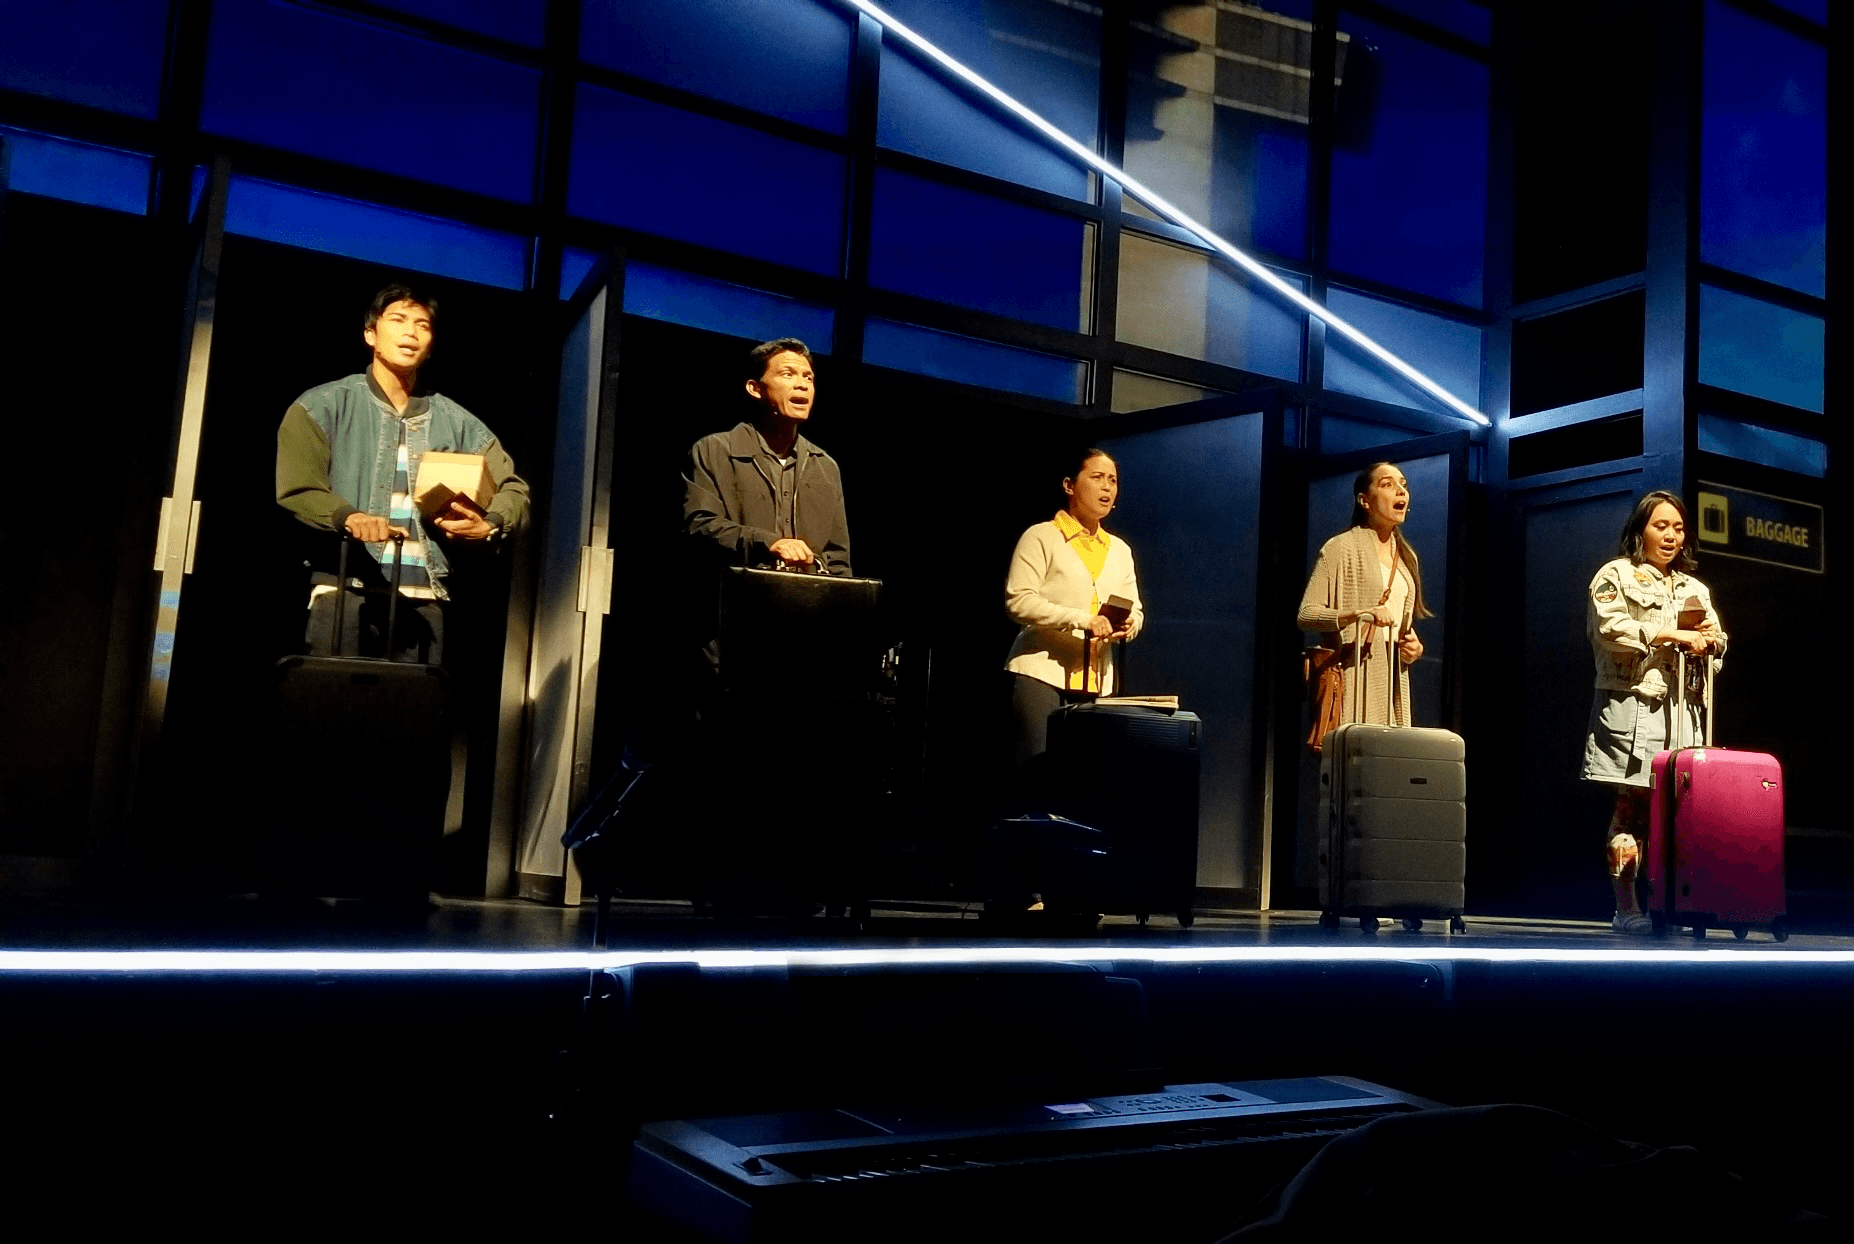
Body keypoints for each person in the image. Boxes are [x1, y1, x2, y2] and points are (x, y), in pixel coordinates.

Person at [276, 282, 529, 661]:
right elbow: (298, 488)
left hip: (423, 600)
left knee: (414, 698)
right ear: (370, 333)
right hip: (345, 590)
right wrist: (349, 516)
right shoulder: (321, 406)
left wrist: (490, 524)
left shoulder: (458, 422)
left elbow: (513, 489)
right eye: (398, 320)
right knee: (334, 696)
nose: (411, 332)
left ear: (431, 344)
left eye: (422, 325)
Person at [1582, 490, 1725, 935]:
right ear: (1640, 529)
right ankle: (1626, 908)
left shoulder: (1693, 588)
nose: (1671, 536)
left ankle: (1671, 903)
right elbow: (1610, 629)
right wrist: (1672, 634)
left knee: (1680, 815)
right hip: (1633, 709)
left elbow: (1718, 646)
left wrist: (1710, 640)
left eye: (1678, 528)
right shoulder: (1615, 575)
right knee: (1631, 808)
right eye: (1661, 526)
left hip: (1684, 714)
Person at [1004, 449, 1144, 768]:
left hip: (1097, 684)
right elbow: (1018, 600)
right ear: (1070, 485)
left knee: (1085, 777)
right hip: (1042, 674)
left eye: (1112, 480)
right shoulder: (1042, 537)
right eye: (1097, 477)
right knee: (1038, 771)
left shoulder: (1120, 550)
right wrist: (1081, 619)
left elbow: (1135, 609)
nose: (1107, 487)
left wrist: (1129, 624)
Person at [682, 337, 851, 579]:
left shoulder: (825, 466)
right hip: (737, 595)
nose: (802, 384)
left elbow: (838, 559)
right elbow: (699, 525)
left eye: (808, 378)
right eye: (788, 374)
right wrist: (768, 542)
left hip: (807, 600)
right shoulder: (714, 451)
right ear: (756, 388)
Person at [1297, 461, 1431, 730]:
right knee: (1357, 752)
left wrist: (1413, 647)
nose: (1400, 491)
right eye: (1387, 484)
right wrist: (1358, 615)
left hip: (1393, 681)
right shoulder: (1339, 548)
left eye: (1403, 485)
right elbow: (1306, 614)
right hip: (1354, 677)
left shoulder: (1407, 557)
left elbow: (1399, 623)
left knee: (1394, 752)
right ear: (1365, 501)